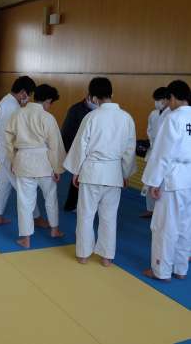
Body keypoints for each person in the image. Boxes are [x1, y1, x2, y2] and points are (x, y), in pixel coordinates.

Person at [64, 77, 137, 267]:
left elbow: (81, 146)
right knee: (109, 217)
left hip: (91, 172)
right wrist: (125, 173)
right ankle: (106, 257)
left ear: (93, 97)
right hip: (114, 173)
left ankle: (83, 254)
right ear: (112, 94)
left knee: (85, 214)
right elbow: (129, 150)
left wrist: (76, 171)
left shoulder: (91, 117)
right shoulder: (126, 118)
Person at [5, 84, 66, 248]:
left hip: (23, 161)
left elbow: (8, 140)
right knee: (51, 198)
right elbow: (55, 146)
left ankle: (26, 238)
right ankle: (54, 229)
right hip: (44, 163)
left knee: (24, 202)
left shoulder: (18, 114)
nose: (49, 106)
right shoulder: (48, 117)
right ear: (48, 100)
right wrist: (57, 168)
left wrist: (13, 160)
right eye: (50, 103)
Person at [142, 80, 191, 281]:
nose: (167, 104)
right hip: (188, 177)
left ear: (172, 97)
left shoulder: (173, 118)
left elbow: (163, 154)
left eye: (168, 100)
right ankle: (180, 268)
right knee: (185, 225)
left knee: (164, 226)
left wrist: (153, 182)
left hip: (172, 179)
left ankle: (161, 270)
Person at [0, 76, 48, 228]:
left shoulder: (6, 101)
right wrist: (17, 157)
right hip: (9, 152)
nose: (28, 98)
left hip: (2, 149)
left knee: (3, 183)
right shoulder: (13, 107)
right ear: (23, 92)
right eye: (28, 94)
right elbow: (13, 134)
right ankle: (36, 217)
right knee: (24, 186)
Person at [61, 93, 96, 211]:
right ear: (89, 98)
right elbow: (66, 131)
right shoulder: (75, 109)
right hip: (78, 146)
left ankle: (76, 204)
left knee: (82, 178)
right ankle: (72, 205)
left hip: (90, 148)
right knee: (78, 177)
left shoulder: (98, 111)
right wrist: (67, 150)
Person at [140, 87, 170, 218]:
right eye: (156, 100)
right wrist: (152, 144)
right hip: (153, 151)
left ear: (166, 99)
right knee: (149, 180)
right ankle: (150, 209)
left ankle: (160, 211)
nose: (157, 102)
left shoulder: (171, 114)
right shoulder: (153, 113)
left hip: (164, 154)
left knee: (161, 184)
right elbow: (149, 130)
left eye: (159, 99)